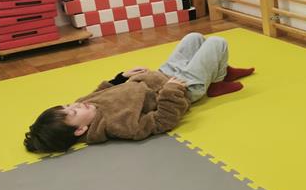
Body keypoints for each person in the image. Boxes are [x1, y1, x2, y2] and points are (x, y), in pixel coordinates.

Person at [23, 33, 254, 153]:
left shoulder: (85, 103)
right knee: (217, 42)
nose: (76, 105)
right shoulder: (117, 126)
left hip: (161, 73)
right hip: (183, 87)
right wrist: (172, 91)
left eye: (68, 105)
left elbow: (105, 90)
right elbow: (162, 121)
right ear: (80, 130)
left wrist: (122, 77)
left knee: (193, 38)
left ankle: (219, 71)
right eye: (73, 112)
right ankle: (216, 81)